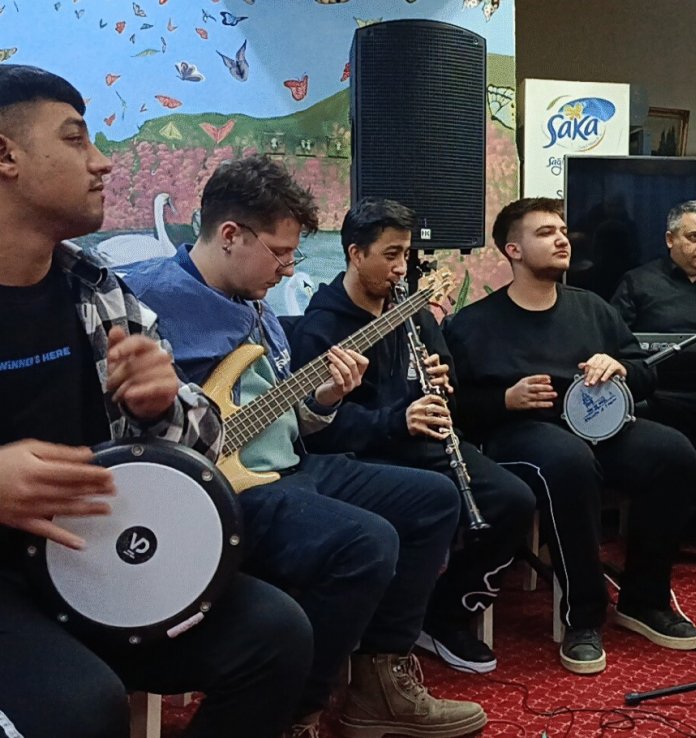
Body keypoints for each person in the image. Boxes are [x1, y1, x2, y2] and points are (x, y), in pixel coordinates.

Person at [122, 157, 487, 738]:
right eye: (280, 253)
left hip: (291, 465)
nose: (289, 269)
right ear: (230, 234)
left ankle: (380, 682)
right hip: (218, 490)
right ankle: (296, 712)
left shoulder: (256, 303)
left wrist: (324, 398)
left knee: (433, 499)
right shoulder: (144, 301)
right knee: (367, 541)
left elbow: (289, 418)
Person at [0, 64, 314, 738]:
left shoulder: (96, 289)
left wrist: (159, 405)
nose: (102, 161)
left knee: (276, 633)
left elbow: (201, 446)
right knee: (83, 709)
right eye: (76, 139)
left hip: (98, 553)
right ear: (6, 156)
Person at [444, 197, 696, 675]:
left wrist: (620, 367)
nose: (562, 239)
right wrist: (505, 399)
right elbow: (456, 409)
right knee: (568, 461)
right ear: (513, 250)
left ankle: (644, 600)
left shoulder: (593, 309)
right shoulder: (473, 324)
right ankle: (583, 615)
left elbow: (646, 374)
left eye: (562, 230)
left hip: (600, 426)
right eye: (545, 233)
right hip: (519, 434)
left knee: (674, 453)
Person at [289, 198, 535, 675]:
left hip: (424, 442)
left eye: (406, 254)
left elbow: (449, 392)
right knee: (422, 505)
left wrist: (443, 384)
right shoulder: (322, 327)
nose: (402, 268)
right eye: (391, 255)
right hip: (363, 454)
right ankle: (382, 638)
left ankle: (442, 613)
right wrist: (395, 421)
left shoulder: (411, 312)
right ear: (356, 253)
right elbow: (317, 430)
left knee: (513, 500)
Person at [610, 200, 696, 567]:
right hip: (659, 394)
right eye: (694, 237)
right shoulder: (638, 282)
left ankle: (694, 514)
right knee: (646, 424)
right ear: (670, 239)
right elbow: (615, 343)